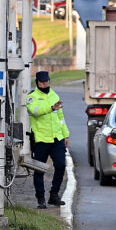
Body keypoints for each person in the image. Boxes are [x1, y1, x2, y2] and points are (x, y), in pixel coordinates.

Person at [27, 70, 70, 209]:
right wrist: (51, 107)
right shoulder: (32, 97)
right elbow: (35, 111)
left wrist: (66, 135)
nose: (45, 84)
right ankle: (40, 198)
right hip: (41, 139)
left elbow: (61, 118)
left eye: (47, 81)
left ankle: (54, 195)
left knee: (61, 165)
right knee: (39, 169)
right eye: (42, 82)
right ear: (37, 82)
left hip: (57, 138)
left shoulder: (54, 95)